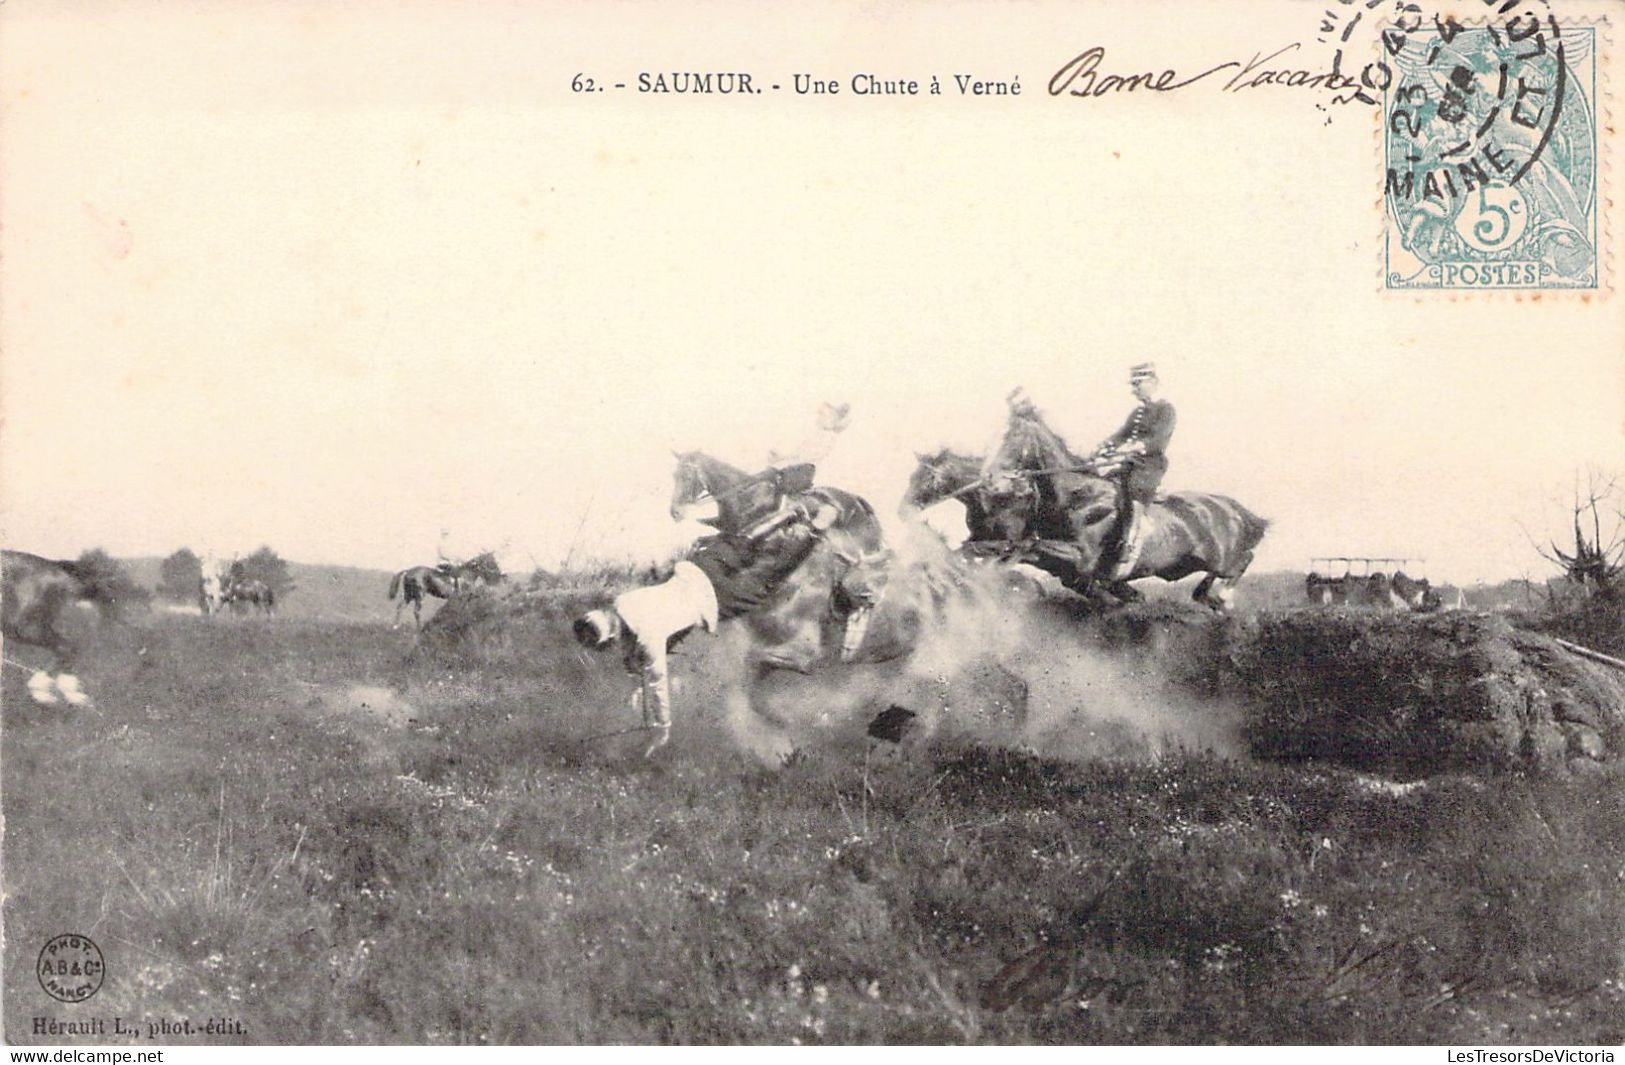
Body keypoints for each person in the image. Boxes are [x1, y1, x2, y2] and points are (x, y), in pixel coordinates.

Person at [1092, 362, 1176, 579]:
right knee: (1107, 485)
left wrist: (1137, 446)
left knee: (1134, 488)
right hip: (1130, 462)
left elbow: (1159, 438)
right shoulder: (1138, 412)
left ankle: (1131, 539)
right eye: (1134, 384)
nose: (1134, 389)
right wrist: (1103, 448)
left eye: (1138, 384)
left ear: (1153, 382)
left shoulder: (1165, 409)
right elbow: (1121, 434)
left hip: (1150, 465)